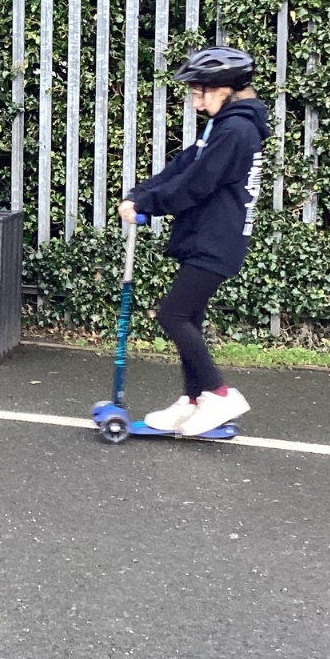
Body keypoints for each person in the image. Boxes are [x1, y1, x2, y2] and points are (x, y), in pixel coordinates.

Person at [118, 46, 269, 437]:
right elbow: (185, 165)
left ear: (227, 89)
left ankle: (219, 394)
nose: (196, 102)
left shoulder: (236, 131)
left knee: (174, 315)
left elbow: (196, 186)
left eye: (201, 92)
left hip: (217, 239)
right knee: (190, 319)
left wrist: (148, 204)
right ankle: (193, 400)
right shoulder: (224, 126)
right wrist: (141, 194)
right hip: (207, 235)